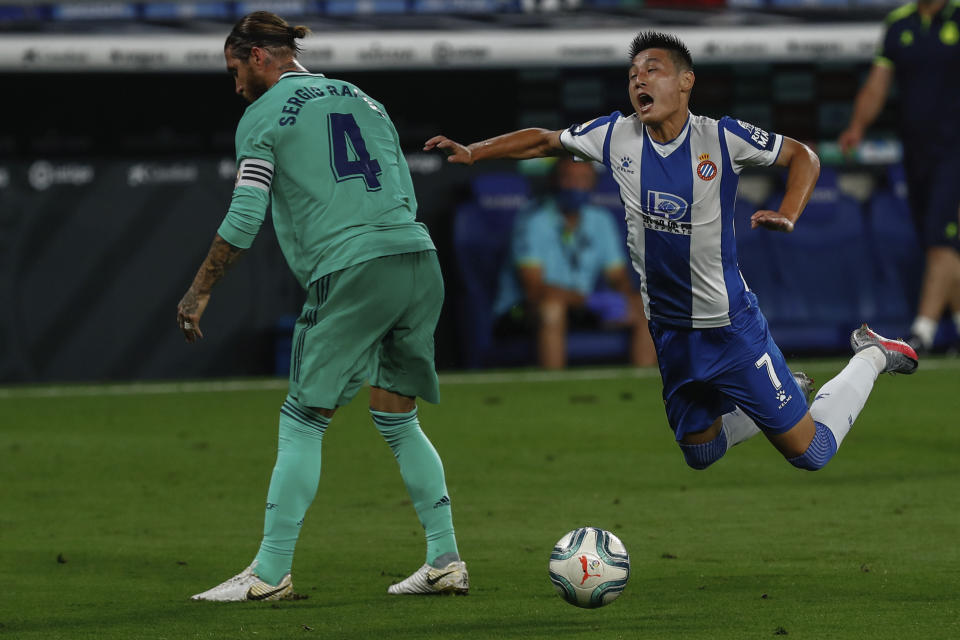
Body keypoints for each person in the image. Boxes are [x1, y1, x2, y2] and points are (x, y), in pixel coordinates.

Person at [425, 31, 919, 472]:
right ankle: (773, 395)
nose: (639, 80)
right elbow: (544, 142)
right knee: (700, 454)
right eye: (632, 74)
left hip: (729, 329)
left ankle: (872, 354)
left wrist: (789, 212)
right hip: (670, 332)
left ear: (686, 83)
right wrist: (475, 151)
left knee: (811, 454)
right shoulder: (615, 135)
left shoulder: (721, 137)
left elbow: (803, 156)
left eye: (652, 70)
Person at [178, 11, 467, 601]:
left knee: (303, 418)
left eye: (234, 69)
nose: (234, 84)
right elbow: (402, 189)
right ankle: (445, 559)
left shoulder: (261, 117)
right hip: (416, 255)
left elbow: (244, 216)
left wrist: (200, 287)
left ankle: (268, 574)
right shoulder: (366, 98)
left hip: (353, 269)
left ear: (258, 56)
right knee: (396, 415)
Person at [839, 0, 960, 353]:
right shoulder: (898, 24)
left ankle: (922, 330)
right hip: (917, 152)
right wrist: (857, 126)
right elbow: (878, 84)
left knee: (941, 236)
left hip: (956, 149)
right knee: (938, 240)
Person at [492, 156, 657, 369]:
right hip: (523, 310)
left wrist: (624, 299)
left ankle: (638, 388)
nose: (575, 186)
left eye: (582, 179)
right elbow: (534, 289)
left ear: (592, 184)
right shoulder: (533, 220)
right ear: (554, 181)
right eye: (568, 178)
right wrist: (588, 300)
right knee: (552, 309)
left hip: (580, 305)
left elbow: (617, 276)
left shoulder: (600, 219)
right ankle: (555, 392)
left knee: (646, 308)